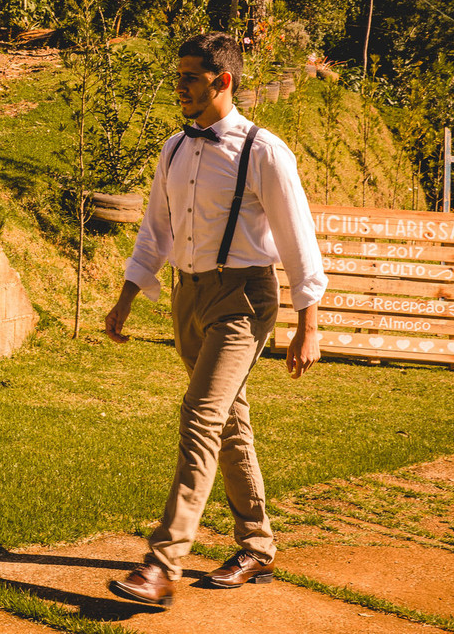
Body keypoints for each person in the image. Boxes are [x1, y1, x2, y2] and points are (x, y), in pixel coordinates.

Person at [103, 32, 326, 608]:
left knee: (201, 415)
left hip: (244, 300)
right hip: (189, 296)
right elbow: (155, 229)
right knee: (228, 421)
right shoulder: (175, 148)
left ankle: (163, 563)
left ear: (222, 81)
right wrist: (128, 294)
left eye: (190, 78)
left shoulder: (264, 150)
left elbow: (298, 236)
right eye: (177, 76)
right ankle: (257, 545)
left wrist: (309, 322)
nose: (179, 87)